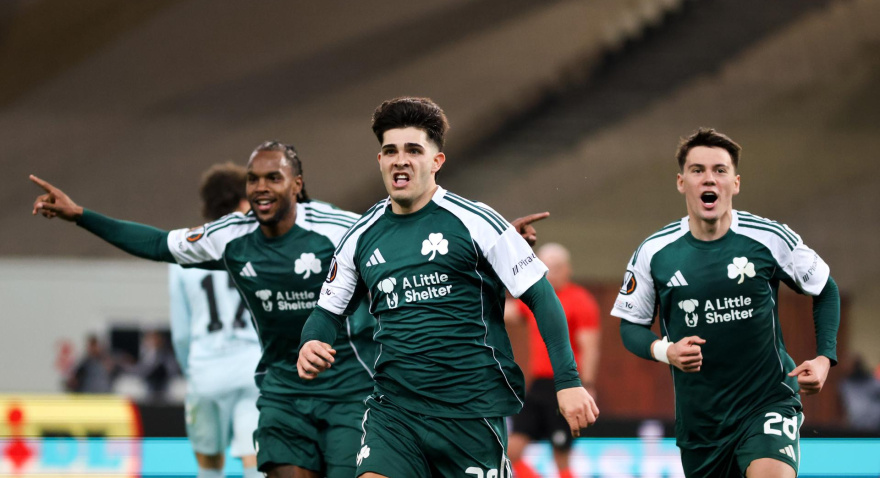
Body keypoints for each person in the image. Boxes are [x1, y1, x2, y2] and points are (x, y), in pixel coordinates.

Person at [30, 143, 546, 478]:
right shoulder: (230, 236)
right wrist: (80, 216)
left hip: (352, 391)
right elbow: (159, 243)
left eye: (272, 179)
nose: (259, 188)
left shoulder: (339, 228)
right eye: (253, 180)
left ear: (296, 185)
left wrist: (492, 242)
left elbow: (410, 237)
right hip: (283, 389)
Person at [297, 96, 599, 478]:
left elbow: (541, 296)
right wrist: (311, 340)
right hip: (394, 411)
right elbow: (327, 311)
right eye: (390, 150)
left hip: (469, 411)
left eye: (413, 150)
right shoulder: (361, 235)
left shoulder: (476, 222)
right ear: (380, 161)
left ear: (436, 161)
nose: (400, 159)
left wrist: (568, 383)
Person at [610, 128, 840, 478]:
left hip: (767, 402)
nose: (709, 179)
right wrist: (665, 351)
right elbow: (630, 327)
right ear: (681, 181)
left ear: (735, 183)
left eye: (719, 170)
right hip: (702, 425)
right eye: (698, 170)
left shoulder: (768, 238)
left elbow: (826, 289)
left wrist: (824, 358)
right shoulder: (654, 252)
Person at [168, 162, 261, 478]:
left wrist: (191, 369)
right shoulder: (259, 244)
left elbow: (181, 333)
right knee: (257, 462)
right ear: (243, 200)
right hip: (253, 367)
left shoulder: (186, 250)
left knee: (209, 468)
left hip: (206, 369)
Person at [504, 242, 600, 478]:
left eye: (556, 267)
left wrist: (586, 385)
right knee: (511, 450)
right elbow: (507, 311)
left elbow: (590, 347)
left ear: (568, 269)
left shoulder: (580, 300)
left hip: (566, 384)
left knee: (561, 455)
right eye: (545, 266)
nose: (550, 271)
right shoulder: (538, 298)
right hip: (539, 385)